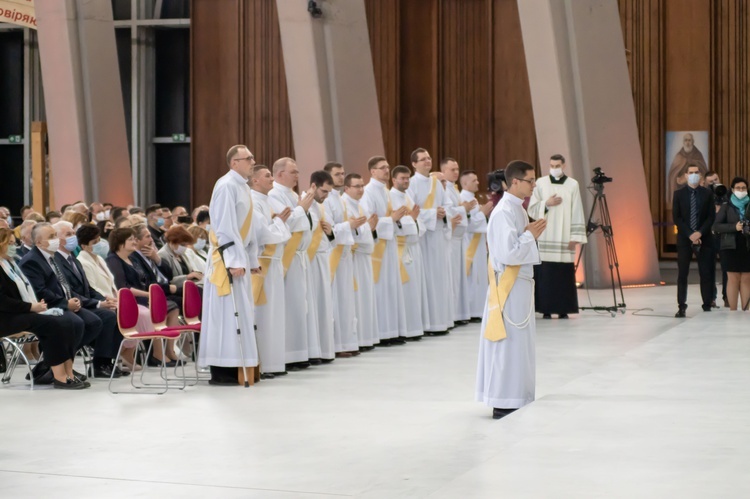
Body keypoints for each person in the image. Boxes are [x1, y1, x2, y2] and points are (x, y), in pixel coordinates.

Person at [476, 160, 546, 420]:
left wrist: (529, 234)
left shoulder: (517, 208)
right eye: (530, 180)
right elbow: (507, 253)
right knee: (508, 343)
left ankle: (518, 395)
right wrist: (529, 236)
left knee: (520, 344)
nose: (534, 185)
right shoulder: (504, 210)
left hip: (520, 286)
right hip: (508, 287)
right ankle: (504, 400)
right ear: (514, 181)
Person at [198, 145, 261, 385]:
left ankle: (239, 364)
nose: (253, 161)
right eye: (248, 158)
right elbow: (224, 226)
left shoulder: (242, 186)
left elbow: (249, 227)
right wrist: (234, 261)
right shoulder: (225, 186)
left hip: (240, 256)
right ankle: (223, 367)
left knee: (242, 313)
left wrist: (252, 259)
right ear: (234, 162)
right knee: (225, 315)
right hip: (226, 259)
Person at [0, 228, 89, 389]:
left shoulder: (10, 264)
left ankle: (68, 371)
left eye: (14, 243)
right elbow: (3, 301)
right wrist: (31, 307)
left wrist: (34, 306)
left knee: (65, 321)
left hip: (19, 312)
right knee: (52, 324)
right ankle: (59, 376)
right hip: (5, 318)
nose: (14, 247)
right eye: (10, 244)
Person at [19, 223, 101, 382]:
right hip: (46, 306)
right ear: (39, 243)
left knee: (94, 322)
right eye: (51, 237)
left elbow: (64, 285)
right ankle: (60, 367)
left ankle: (55, 362)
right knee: (74, 323)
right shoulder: (32, 261)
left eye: (55, 236)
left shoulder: (53, 256)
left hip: (63, 302)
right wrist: (65, 304)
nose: (55, 240)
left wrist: (73, 300)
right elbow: (40, 292)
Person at [52, 221, 124, 378]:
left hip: (86, 301)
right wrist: (98, 303)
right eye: (69, 234)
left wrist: (104, 300)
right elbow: (71, 292)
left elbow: (88, 289)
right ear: (57, 238)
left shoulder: (73, 259)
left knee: (117, 311)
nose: (73, 238)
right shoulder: (57, 261)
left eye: (73, 233)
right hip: (76, 304)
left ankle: (109, 361)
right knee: (108, 316)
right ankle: (100, 363)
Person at [268, 157, 317, 371]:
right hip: (287, 255)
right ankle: (289, 354)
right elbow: (285, 224)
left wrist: (304, 210)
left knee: (300, 305)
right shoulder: (273, 195)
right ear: (280, 174)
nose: (298, 175)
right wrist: (302, 209)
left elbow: (307, 224)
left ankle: (300, 351)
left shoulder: (294, 195)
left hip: (299, 256)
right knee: (289, 306)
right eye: (293, 172)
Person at [527, 154, 587, 319]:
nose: (554, 169)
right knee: (545, 274)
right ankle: (545, 309)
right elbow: (532, 208)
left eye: (557, 165)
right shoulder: (540, 183)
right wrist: (546, 204)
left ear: (564, 166)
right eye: (552, 165)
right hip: (545, 236)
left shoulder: (572, 185)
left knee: (562, 274)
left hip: (564, 237)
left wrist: (575, 236)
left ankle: (563, 309)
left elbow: (577, 211)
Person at [76, 224, 141, 371]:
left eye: (99, 239)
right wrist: (106, 300)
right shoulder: (83, 261)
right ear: (85, 246)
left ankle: (111, 360)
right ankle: (101, 362)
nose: (100, 244)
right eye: (95, 242)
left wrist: (117, 299)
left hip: (111, 299)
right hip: (99, 301)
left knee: (122, 312)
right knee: (111, 315)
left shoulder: (99, 258)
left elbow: (111, 283)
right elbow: (92, 287)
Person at [250, 165, 292, 377]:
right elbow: (264, 234)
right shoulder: (253, 201)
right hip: (261, 262)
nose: (271, 180)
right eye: (267, 176)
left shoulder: (266, 201)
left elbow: (283, 234)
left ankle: (274, 362)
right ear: (255, 180)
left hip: (273, 262)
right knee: (263, 315)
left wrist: (278, 222)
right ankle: (262, 364)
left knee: (275, 314)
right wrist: (278, 221)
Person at [362, 156, 408, 345]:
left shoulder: (386, 191)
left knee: (391, 287)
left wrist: (395, 219)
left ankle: (393, 331)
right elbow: (369, 221)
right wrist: (392, 219)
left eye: (387, 167)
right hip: (377, 249)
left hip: (388, 246)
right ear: (372, 171)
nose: (386, 171)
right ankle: (382, 333)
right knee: (381, 289)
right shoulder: (368, 192)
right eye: (382, 168)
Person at [408, 148, 454, 334]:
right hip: (423, 238)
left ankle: (441, 321)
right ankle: (428, 323)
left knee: (440, 278)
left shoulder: (436, 183)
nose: (427, 161)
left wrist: (443, 213)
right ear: (414, 164)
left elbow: (449, 205)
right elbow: (412, 210)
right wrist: (433, 213)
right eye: (423, 159)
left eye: (429, 158)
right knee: (426, 279)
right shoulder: (411, 184)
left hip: (438, 236)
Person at [323, 162, 361, 356]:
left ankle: (348, 343)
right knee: (336, 300)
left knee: (346, 300)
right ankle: (337, 345)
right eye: (337, 174)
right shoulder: (326, 199)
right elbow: (327, 229)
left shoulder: (339, 198)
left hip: (345, 254)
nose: (341, 177)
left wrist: (353, 226)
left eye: (342, 174)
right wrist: (349, 225)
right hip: (333, 254)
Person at [390, 165, 428, 339]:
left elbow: (421, 222)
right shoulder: (390, 197)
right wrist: (411, 220)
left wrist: (413, 221)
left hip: (414, 247)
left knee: (416, 289)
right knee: (406, 290)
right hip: (400, 249)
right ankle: (406, 329)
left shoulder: (408, 198)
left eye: (407, 178)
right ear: (394, 180)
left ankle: (415, 327)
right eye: (402, 178)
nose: (405, 181)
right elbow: (395, 224)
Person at [672, 163, 715, 317]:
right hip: (685, 239)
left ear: (700, 175)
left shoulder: (707, 194)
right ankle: (681, 306)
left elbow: (711, 216)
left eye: (697, 172)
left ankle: (707, 303)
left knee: (706, 272)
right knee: (683, 274)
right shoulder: (678, 194)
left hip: (704, 238)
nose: (694, 174)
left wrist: (699, 233)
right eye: (691, 172)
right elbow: (677, 218)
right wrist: (690, 234)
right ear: (686, 175)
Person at [343, 173, 379, 350]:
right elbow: (352, 233)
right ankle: (357, 340)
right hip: (354, 258)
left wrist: (369, 229)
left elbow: (363, 231)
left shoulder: (359, 206)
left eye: (362, 185)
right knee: (357, 299)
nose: (360, 189)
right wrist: (367, 229)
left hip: (364, 257)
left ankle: (366, 338)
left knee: (365, 298)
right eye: (356, 186)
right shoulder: (345, 206)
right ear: (346, 188)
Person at [307, 170, 338, 363]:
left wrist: (330, 232)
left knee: (323, 305)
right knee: (312, 306)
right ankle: (312, 350)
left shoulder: (320, 207)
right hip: (309, 260)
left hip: (321, 259)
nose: (326, 196)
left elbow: (329, 235)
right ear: (313, 186)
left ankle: (323, 350)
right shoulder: (303, 204)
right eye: (324, 191)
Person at [440, 157, 473, 325]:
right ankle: (452, 314)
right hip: (451, 237)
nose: (456, 172)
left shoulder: (454, 188)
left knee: (459, 277)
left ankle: (459, 313)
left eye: (457, 169)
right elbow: (447, 212)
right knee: (452, 277)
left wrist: (464, 210)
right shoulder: (443, 188)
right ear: (443, 171)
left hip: (459, 238)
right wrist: (464, 209)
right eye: (452, 169)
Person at [459, 170, 494, 321]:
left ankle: (479, 310)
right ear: (465, 183)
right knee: (472, 278)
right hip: (468, 244)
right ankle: (471, 311)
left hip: (478, 243)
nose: (478, 183)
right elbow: (467, 225)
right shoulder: (462, 200)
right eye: (474, 180)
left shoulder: (473, 199)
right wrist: (482, 213)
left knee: (479, 277)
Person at [712, 177, 750, 311]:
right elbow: (716, 226)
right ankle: (733, 310)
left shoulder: (749, 205)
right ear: (733, 190)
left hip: (747, 245)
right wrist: (734, 227)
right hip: (730, 246)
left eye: (744, 188)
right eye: (738, 188)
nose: (741, 190)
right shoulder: (726, 206)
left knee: (746, 278)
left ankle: (746, 309)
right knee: (733, 278)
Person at [705, 170, 728, 308]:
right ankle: (711, 298)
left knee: (726, 268)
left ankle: (727, 296)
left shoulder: (727, 194)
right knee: (709, 268)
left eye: (716, 179)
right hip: (709, 236)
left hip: (724, 236)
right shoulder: (705, 196)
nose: (715, 183)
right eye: (711, 182)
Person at [157, 225, 204, 289]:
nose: (184, 247)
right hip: (176, 291)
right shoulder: (162, 255)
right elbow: (167, 280)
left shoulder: (182, 254)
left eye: (186, 245)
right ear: (172, 242)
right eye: (182, 245)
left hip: (188, 286)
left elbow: (189, 270)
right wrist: (187, 277)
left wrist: (195, 274)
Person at [667, 133, 708, 205]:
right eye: (686, 140)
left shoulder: (698, 155)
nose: (688, 143)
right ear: (683, 142)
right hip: (682, 191)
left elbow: (704, 171)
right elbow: (672, 175)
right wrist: (680, 179)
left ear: (693, 142)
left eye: (689, 140)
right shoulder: (679, 156)